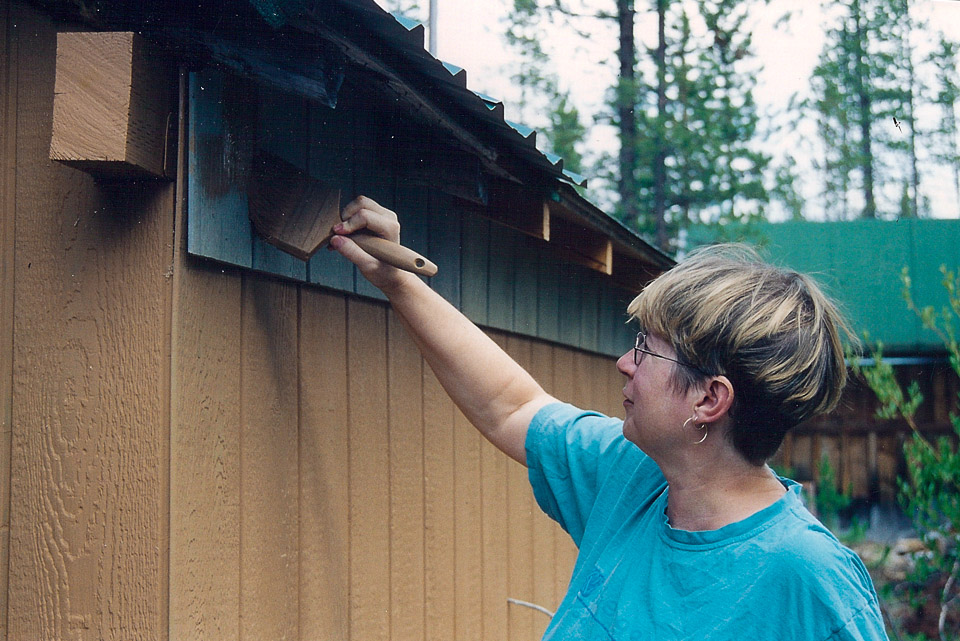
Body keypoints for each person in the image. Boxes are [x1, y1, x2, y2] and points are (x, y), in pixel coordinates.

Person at [330, 196, 889, 640]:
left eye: (646, 348)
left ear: (709, 401)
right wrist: (397, 280)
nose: (625, 363)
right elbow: (513, 405)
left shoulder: (809, 578)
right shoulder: (635, 477)